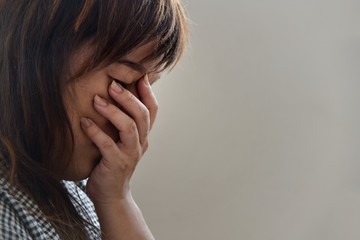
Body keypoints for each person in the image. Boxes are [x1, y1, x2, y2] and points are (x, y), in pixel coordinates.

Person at [0, 0, 188, 239]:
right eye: (121, 81)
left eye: (147, 89)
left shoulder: (74, 192)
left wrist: (117, 199)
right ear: (35, 49)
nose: (134, 117)